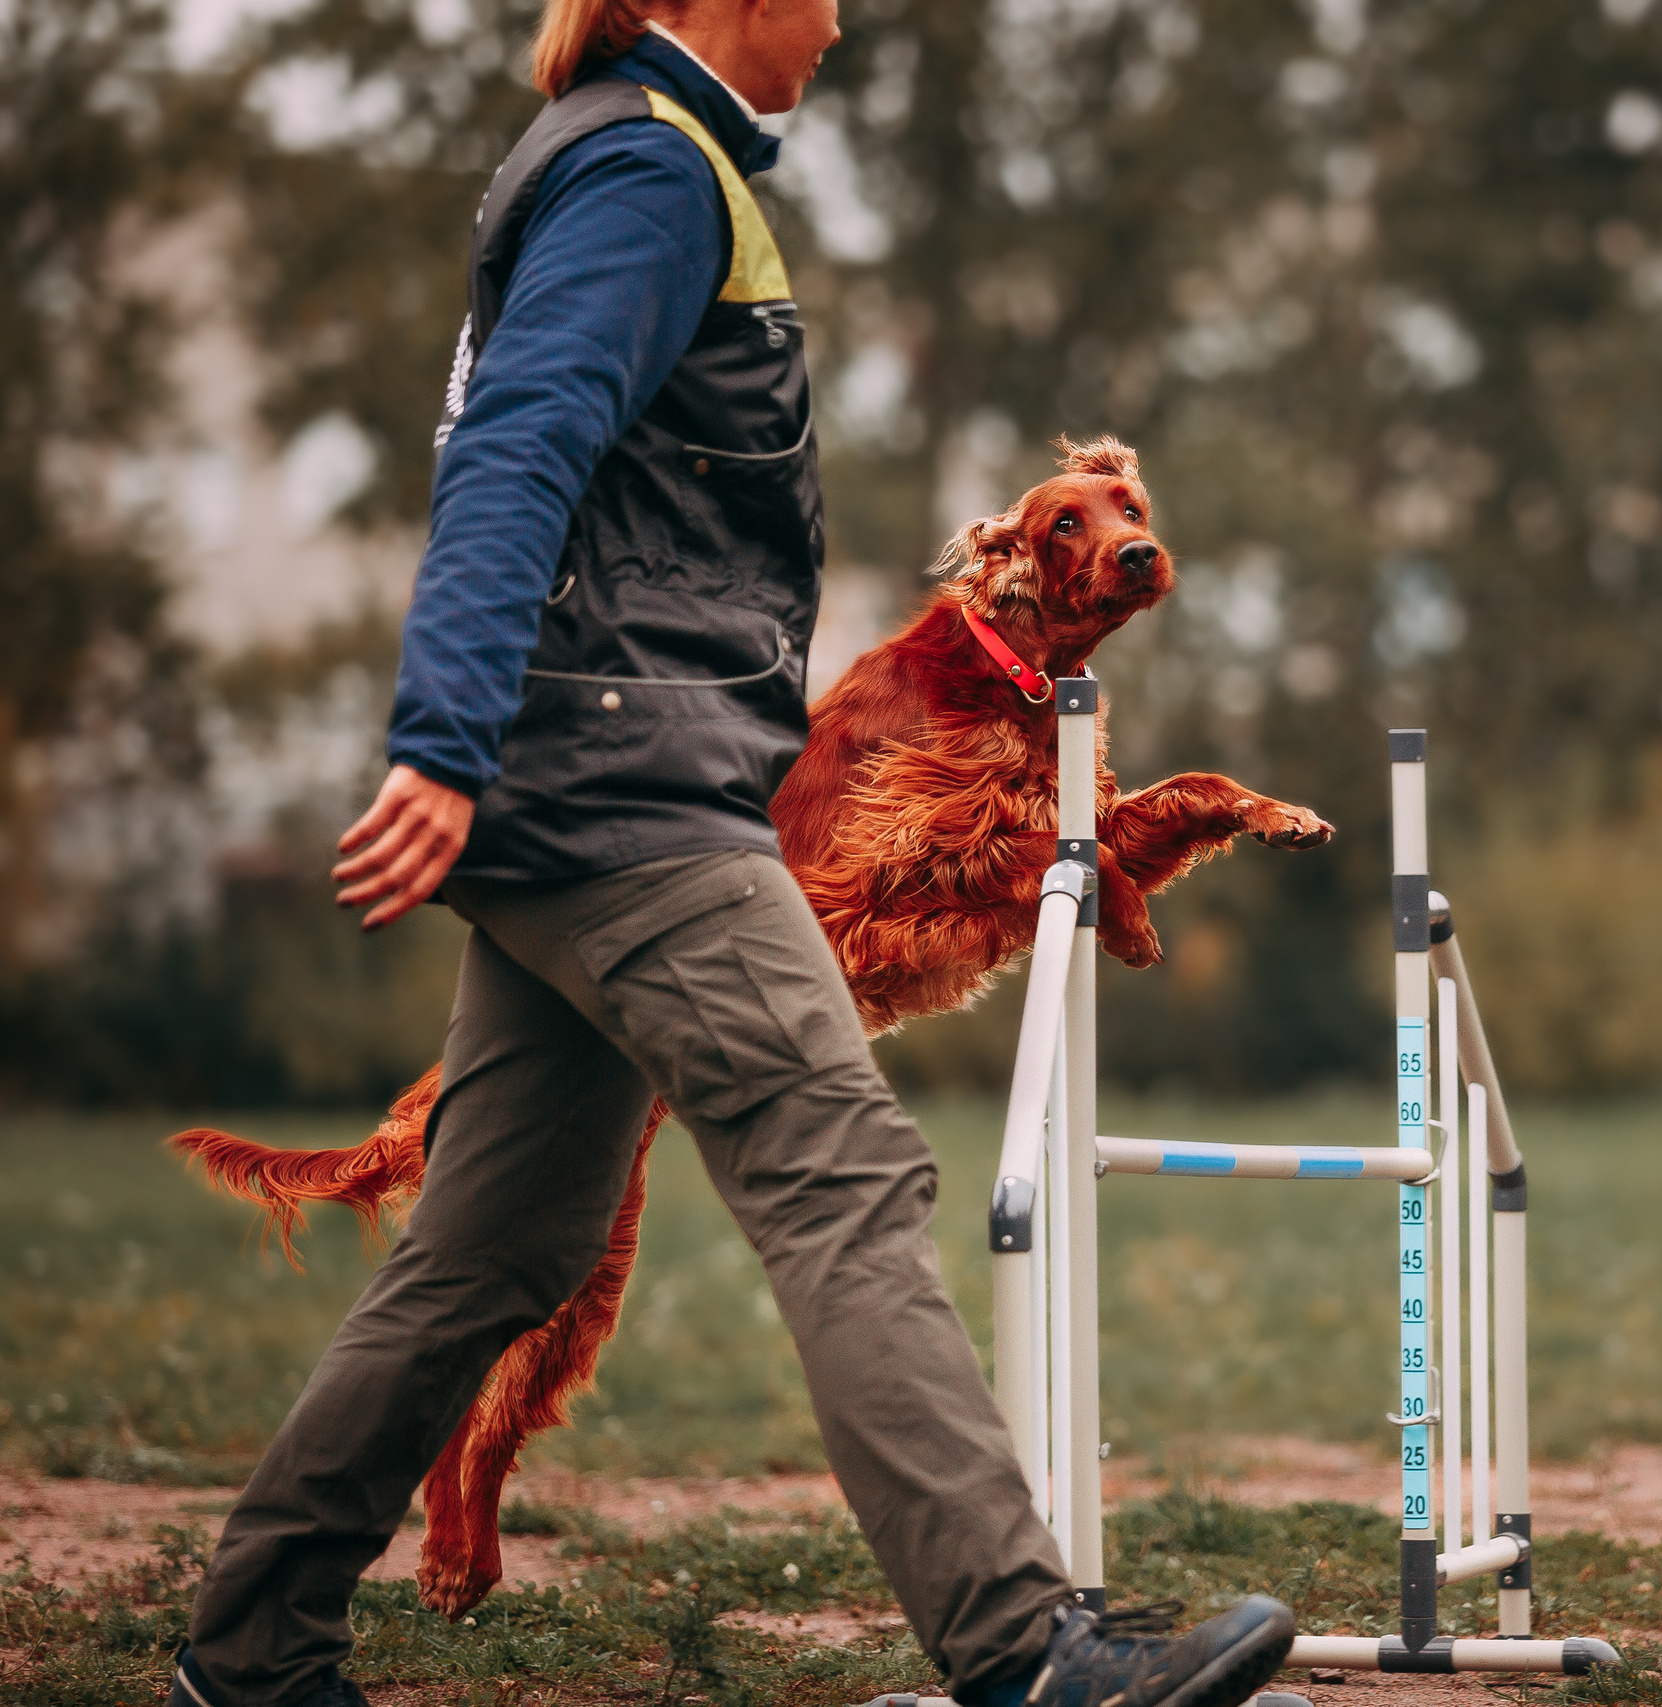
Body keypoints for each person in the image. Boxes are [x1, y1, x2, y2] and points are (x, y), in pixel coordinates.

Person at [165, 0, 1298, 1701]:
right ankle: (1023, 1650)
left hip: (584, 789)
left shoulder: (635, 154)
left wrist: (485, 748)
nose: (839, 16)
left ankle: (250, 1646)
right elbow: (519, 444)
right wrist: (445, 736)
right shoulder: (648, 168)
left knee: (496, 1246)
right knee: (841, 1172)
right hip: (629, 800)